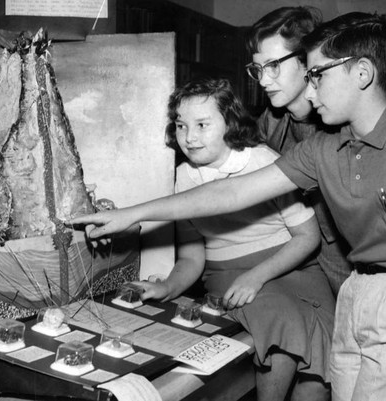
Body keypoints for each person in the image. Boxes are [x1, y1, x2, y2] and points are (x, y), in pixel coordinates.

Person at [67, 12, 386, 401]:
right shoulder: (324, 147)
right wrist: (131, 214)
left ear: (361, 73)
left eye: (317, 76)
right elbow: (231, 194)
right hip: (360, 293)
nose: (309, 93)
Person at [133, 78, 334, 401]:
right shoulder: (184, 176)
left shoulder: (263, 161)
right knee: (280, 317)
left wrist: (256, 276)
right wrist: (167, 287)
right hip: (227, 275)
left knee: (319, 354)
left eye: (202, 124)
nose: (189, 137)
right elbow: (191, 258)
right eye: (181, 125)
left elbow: (308, 238)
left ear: (230, 122)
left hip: (292, 267)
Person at [245, 6, 352, 296]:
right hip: (287, 250)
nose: (264, 80)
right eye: (258, 69)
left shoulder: (339, 122)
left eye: (273, 66)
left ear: (306, 62)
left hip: (340, 257)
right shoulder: (271, 118)